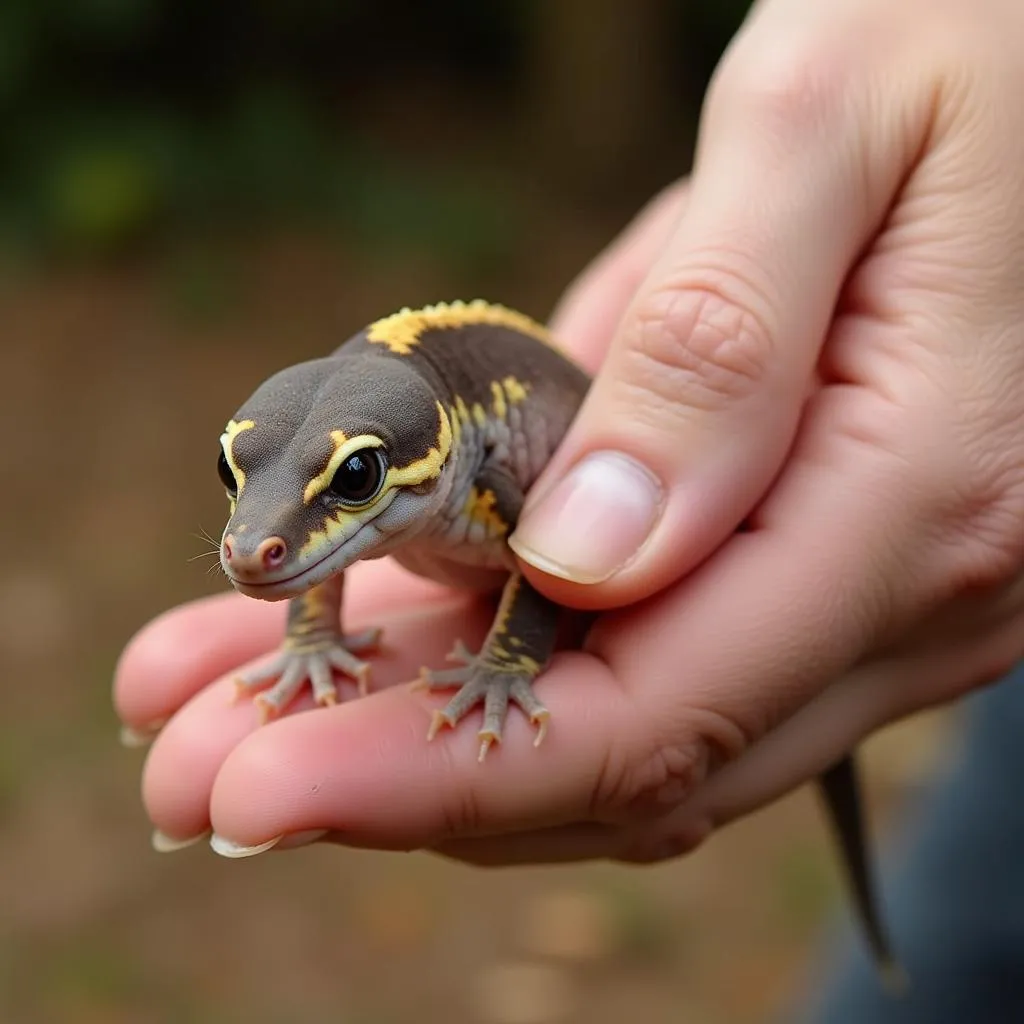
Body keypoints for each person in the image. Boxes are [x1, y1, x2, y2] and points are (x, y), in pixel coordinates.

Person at [115, 0, 1024, 1015]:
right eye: (239, 478)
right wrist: (312, 626)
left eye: (359, 482)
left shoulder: (478, 473)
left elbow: (546, 564)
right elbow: (303, 523)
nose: (253, 543)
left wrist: (509, 660)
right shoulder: (356, 455)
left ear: (445, 449)